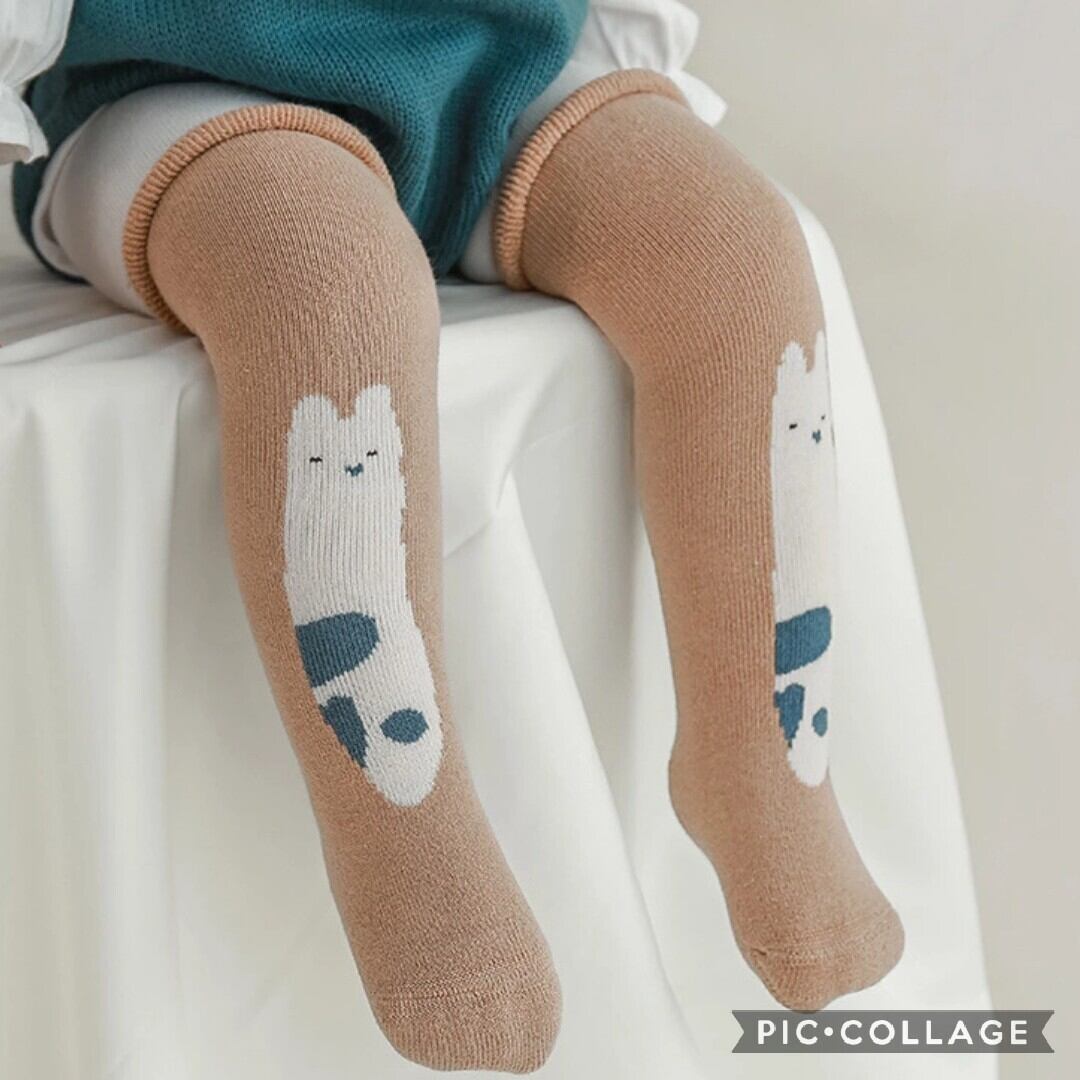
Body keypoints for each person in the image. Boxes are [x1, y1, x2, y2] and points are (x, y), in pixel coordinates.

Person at [6, 0, 902, 1071]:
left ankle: (765, 761)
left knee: (731, 255)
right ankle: (403, 823)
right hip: (177, 82)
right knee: (324, 284)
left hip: (496, 72)